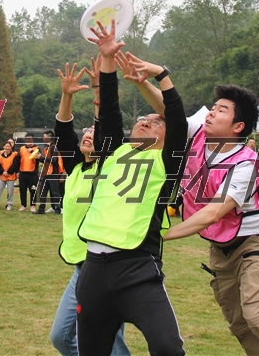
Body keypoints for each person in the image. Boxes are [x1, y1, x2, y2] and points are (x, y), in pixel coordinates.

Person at [162, 85, 259, 355]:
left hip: (252, 245)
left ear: (238, 126)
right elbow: (168, 110)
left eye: (222, 110)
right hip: (220, 251)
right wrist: (151, 79)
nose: (211, 112)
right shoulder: (199, 136)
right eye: (214, 107)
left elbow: (214, 212)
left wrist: (160, 236)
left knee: (258, 315)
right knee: (239, 323)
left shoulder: (246, 163)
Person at [74, 20, 188, 355]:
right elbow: (109, 112)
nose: (146, 121)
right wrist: (108, 59)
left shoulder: (167, 161)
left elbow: (178, 120)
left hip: (137, 268)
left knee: (168, 349)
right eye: (143, 119)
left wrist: (162, 75)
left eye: (155, 122)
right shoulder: (113, 151)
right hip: (93, 270)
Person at [50, 56, 131, 356]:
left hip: (108, 265)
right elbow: (62, 132)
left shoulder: (110, 166)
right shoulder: (75, 167)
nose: (87, 134)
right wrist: (67, 96)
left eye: (93, 133)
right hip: (82, 267)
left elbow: (108, 125)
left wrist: (100, 88)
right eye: (85, 132)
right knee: (61, 337)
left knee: (111, 342)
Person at [33, 130, 63, 215]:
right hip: (47, 173)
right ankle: (41, 209)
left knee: (55, 192)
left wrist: (41, 158)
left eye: (45, 136)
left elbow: (53, 160)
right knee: (43, 191)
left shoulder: (54, 147)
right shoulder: (46, 148)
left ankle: (58, 209)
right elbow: (46, 161)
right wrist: (39, 158)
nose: (43, 138)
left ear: (50, 137)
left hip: (53, 173)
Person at [0, 141, 20, 211]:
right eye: (6, 146)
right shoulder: (0, 155)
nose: (7, 148)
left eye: (8, 146)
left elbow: (15, 164)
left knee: (10, 191)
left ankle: (9, 204)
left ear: (11, 147)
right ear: (3, 147)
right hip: (2, 176)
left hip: (11, 176)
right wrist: (2, 172)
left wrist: (9, 172)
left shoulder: (14, 154)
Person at [18, 133, 40, 213]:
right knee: (22, 189)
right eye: (27, 139)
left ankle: (33, 205)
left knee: (33, 190)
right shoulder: (21, 148)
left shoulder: (37, 148)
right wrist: (17, 171)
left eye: (30, 139)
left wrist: (32, 151)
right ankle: (23, 205)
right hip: (23, 172)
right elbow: (18, 160)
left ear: (33, 140)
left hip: (33, 173)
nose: (28, 140)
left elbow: (40, 157)